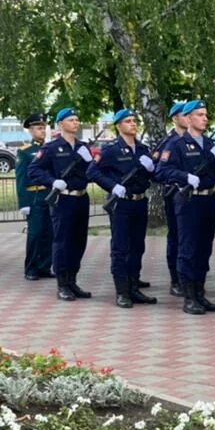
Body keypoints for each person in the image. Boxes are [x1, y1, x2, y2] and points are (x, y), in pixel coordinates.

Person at [157, 100, 215, 314]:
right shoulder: (175, 144)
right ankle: (189, 297)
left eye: (206, 114)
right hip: (187, 201)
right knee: (188, 248)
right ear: (187, 119)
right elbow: (161, 171)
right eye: (199, 114)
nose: (204, 118)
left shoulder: (211, 144)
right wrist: (184, 176)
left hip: (207, 199)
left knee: (204, 248)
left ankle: (200, 292)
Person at [88, 108, 158, 308]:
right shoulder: (111, 150)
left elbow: (155, 177)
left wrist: (152, 169)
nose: (133, 124)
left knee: (138, 246)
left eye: (134, 121)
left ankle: (134, 287)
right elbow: (92, 171)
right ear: (118, 126)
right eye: (128, 121)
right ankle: (122, 291)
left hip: (140, 201)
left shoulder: (143, 150)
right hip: (121, 203)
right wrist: (112, 186)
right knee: (120, 247)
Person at [27, 107, 95, 301]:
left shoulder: (82, 147)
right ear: (60, 124)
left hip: (81, 197)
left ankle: (73, 280)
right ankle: (62, 284)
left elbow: (91, 173)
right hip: (63, 199)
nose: (76, 122)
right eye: (71, 119)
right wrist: (52, 181)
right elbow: (34, 171)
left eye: (76, 119)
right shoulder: (51, 148)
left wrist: (90, 161)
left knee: (78, 241)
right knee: (62, 241)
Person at [153, 102, 190, 297]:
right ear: (175, 118)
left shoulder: (195, 139)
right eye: (184, 115)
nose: (187, 118)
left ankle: (189, 276)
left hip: (193, 195)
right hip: (175, 194)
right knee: (176, 236)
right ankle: (176, 279)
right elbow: (158, 171)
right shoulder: (168, 142)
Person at [16, 113, 54, 281]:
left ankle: (45, 266)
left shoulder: (50, 148)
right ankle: (31, 268)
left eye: (43, 127)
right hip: (34, 195)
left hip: (49, 194)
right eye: (39, 128)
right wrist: (24, 203)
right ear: (30, 131)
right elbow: (21, 178)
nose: (42, 131)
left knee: (49, 233)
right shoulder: (25, 151)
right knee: (35, 234)